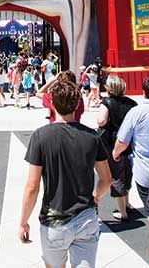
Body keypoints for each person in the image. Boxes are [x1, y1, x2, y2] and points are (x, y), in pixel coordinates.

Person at [18, 78, 111, 268]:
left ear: (52, 103)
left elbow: (32, 186)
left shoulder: (41, 136)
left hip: (54, 219)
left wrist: (23, 221)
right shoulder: (92, 137)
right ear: (77, 104)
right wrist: (96, 196)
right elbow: (107, 179)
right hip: (86, 217)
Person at [112, 76, 149, 263]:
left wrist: (116, 153)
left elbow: (123, 140)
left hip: (145, 171)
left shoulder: (136, 112)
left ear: (143, 92)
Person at [95, 75, 136, 223]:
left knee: (116, 176)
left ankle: (122, 211)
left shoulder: (107, 102)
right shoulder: (132, 103)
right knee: (126, 172)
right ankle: (127, 203)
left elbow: (102, 120)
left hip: (112, 143)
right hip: (128, 143)